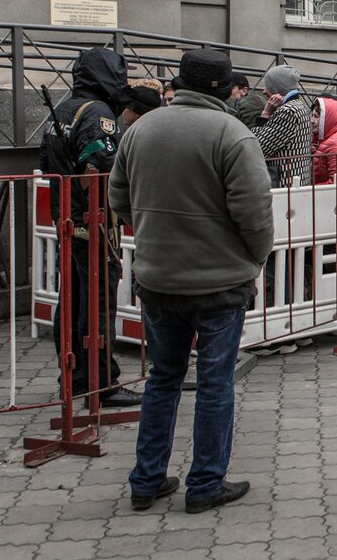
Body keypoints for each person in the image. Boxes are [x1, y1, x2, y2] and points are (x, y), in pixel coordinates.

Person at [109, 48, 273, 514]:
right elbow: (255, 214)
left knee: (163, 378)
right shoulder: (233, 134)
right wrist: (253, 258)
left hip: (158, 279)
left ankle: (146, 479)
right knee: (215, 381)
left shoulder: (140, 130)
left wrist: (152, 236)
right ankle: (204, 484)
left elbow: (118, 196)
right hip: (220, 282)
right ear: (225, 89)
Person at [38, 48, 139, 406]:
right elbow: (96, 169)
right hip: (92, 221)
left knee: (72, 301)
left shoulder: (64, 108)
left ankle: (76, 375)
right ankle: (101, 382)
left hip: (68, 219)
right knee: (97, 304)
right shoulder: (96, 113)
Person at [250, 65, 312, 188]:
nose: (263, 91)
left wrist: (265, 114)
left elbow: (257, 149)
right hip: (297, 183)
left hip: (284, 186)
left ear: (277, 88)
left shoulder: (287, 111)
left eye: (267, 86)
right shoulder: (300, 106)